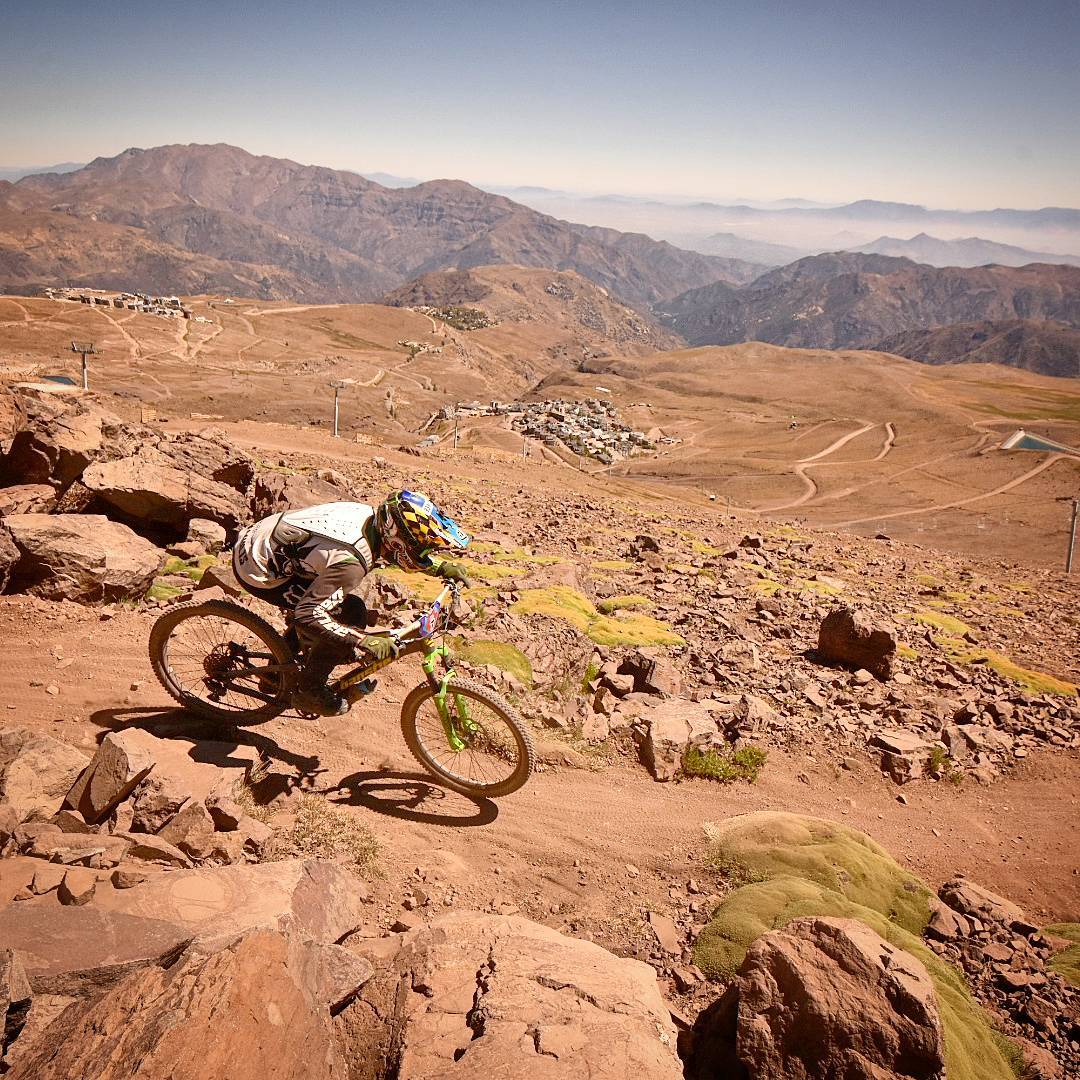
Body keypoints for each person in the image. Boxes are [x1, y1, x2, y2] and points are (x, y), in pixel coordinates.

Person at [232, 491, 471, 716]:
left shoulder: (371, 520)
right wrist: (363, 640)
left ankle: (276, 672)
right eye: (422, 549)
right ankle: (309, 691)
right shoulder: (352, 564)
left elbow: (396, 550)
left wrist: (439, 567)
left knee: (336, 612)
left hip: (266, 538)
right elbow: (308, 615)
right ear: (398, 539)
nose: (425, 553)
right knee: (349, 615)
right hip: (260, 570)